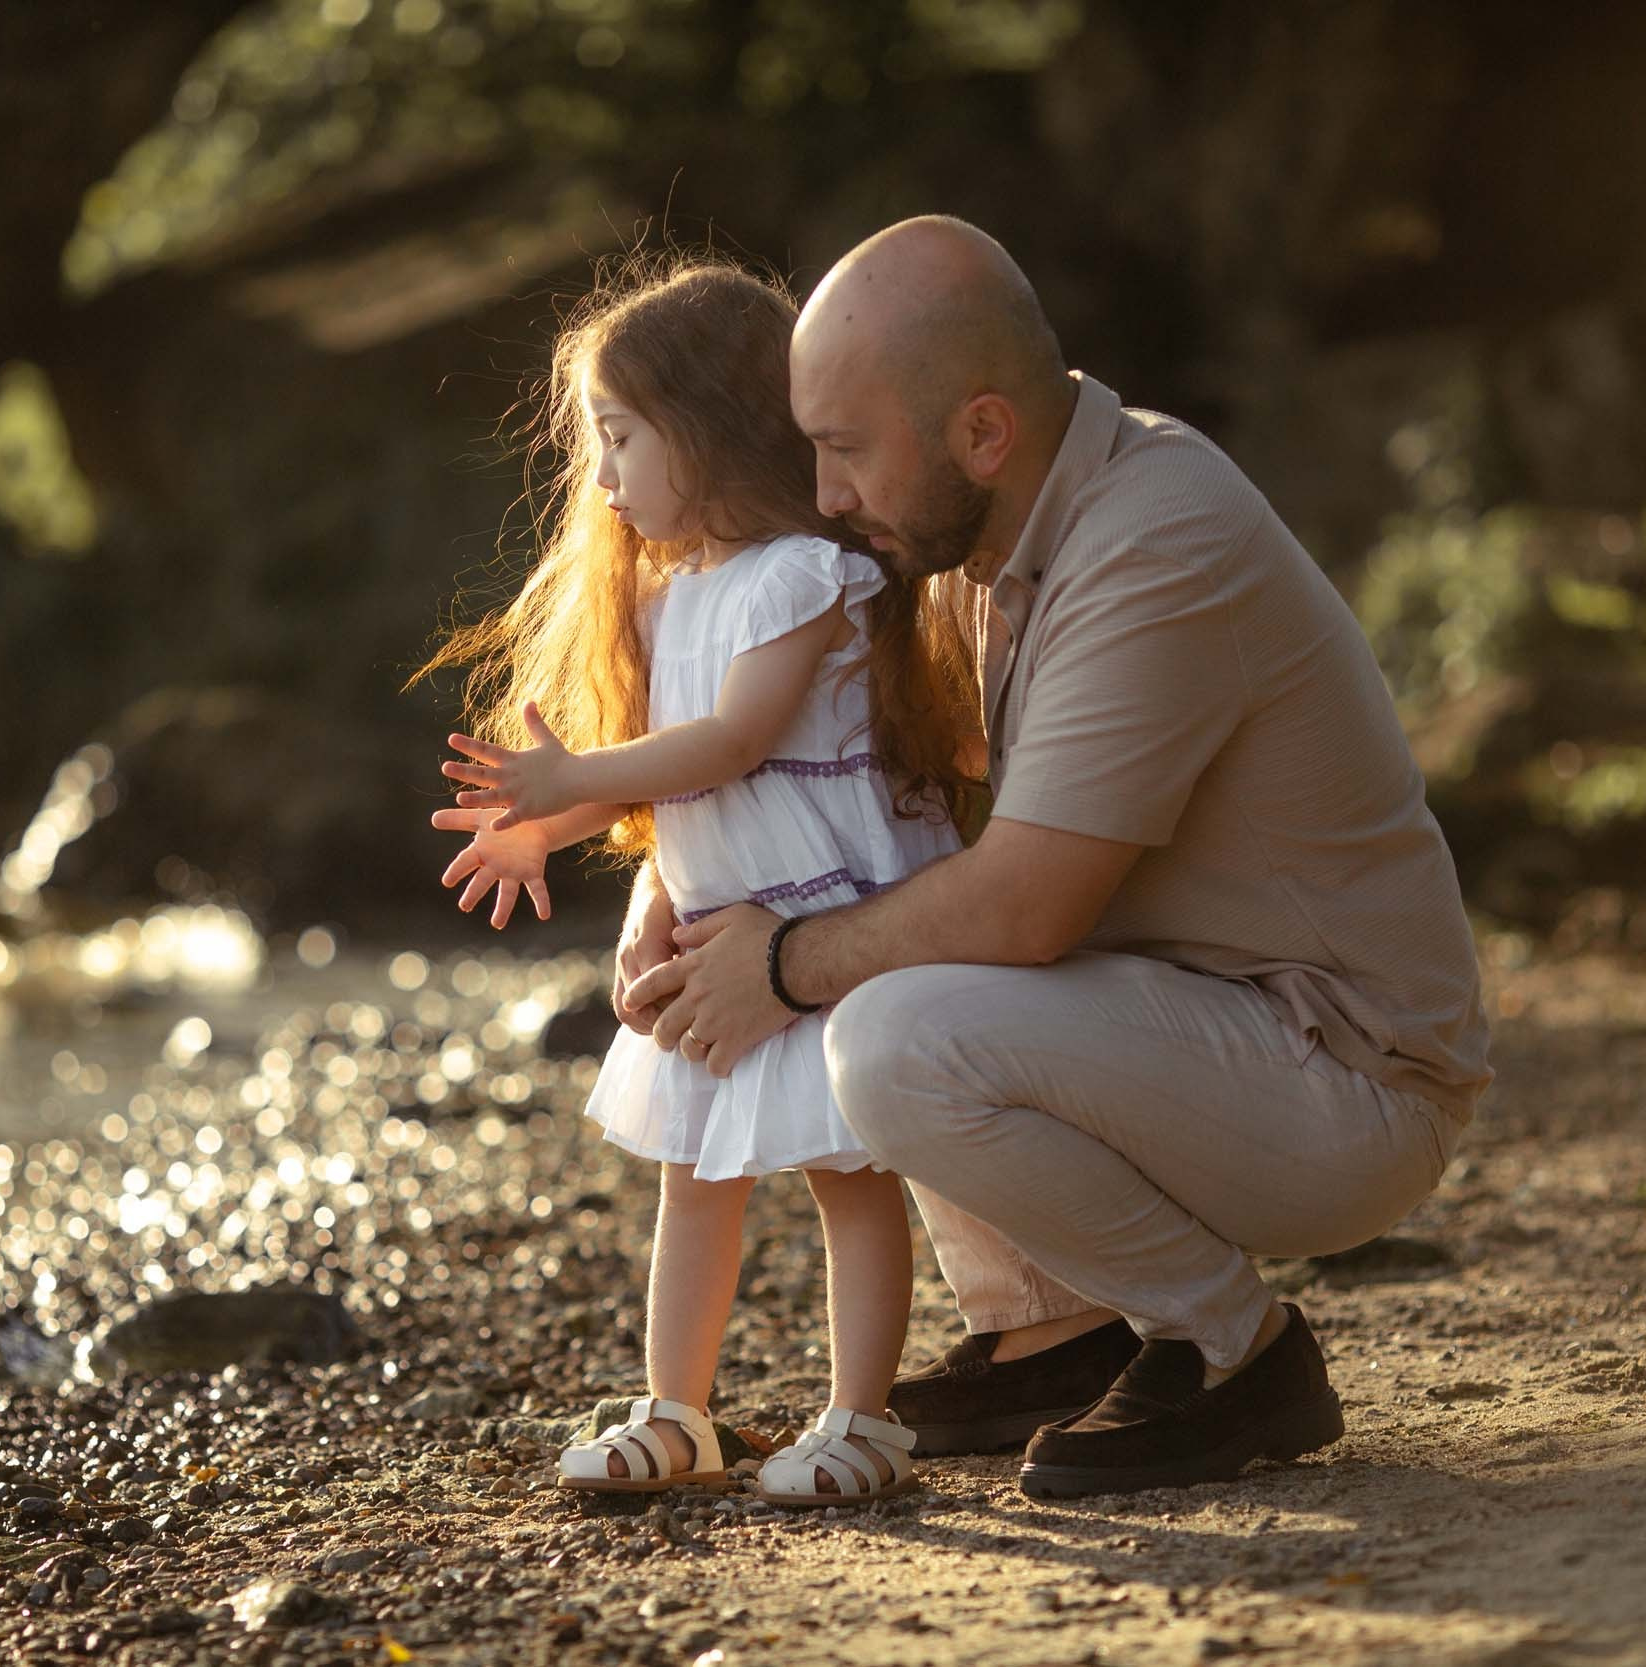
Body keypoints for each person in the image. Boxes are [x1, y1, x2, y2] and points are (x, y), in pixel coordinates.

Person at [620, 217, 1495, 1500]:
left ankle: (1232, 1346)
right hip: (1185, 1027)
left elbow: (1025, 906)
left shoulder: (1153, 536)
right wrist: (667, 887)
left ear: (983, 433)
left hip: (1342, 1074)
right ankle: (1052, 1334)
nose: (825, 495)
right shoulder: (969, 540)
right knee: (885, 922)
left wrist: (781, 961)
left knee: (887, 1028)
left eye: (847, 449)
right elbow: (828, 776)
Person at [415, 256, 979, 1504]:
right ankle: (678, 1411)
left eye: (618, 438)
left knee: (847, 1174)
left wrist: (571, 778)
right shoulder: (671, 601)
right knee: (695, 1173)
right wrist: (550, 828)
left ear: (711, 427)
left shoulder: (802, 576)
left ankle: (862, 1416)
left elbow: (731, 742)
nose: (601, 476)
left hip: (824, 919)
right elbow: (669, 774)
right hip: (722, 931)